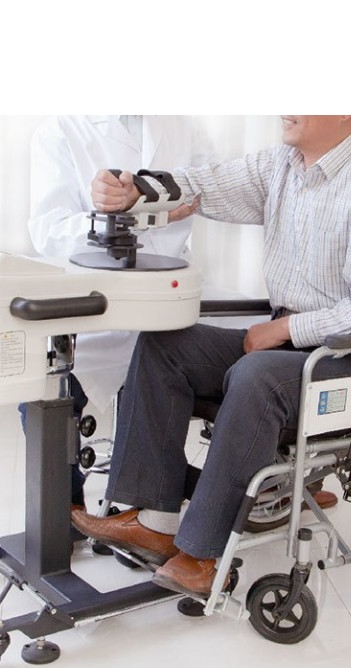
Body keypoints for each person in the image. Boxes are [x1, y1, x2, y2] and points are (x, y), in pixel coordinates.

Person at [71, 115, 351, 596]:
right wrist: (135, 190)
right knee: (164, 344)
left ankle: (203, 553)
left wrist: (284, 328)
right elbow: (203, 184)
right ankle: (153, 522)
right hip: (292, 344)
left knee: (257, 376)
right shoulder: (281, 166)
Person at [24, 115, 215, 510]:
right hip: (97, 301)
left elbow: (210, 191)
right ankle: (67, 511)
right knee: (45, 391)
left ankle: (148, 509)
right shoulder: (60, 130)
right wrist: (122, 215)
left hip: (167, 295)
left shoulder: (185, 127)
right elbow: (49, 232)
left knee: (164, 380)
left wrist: (145, 203)